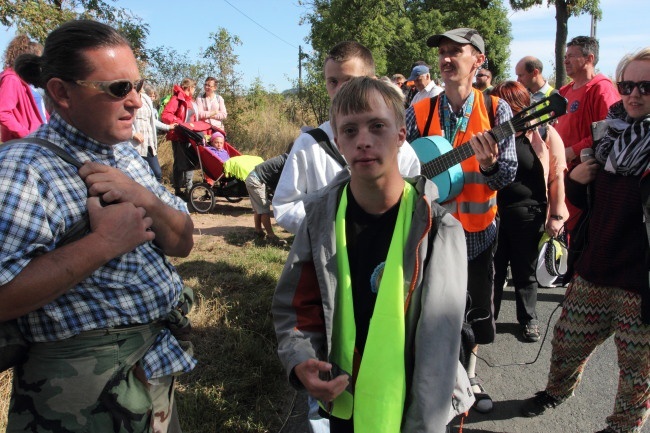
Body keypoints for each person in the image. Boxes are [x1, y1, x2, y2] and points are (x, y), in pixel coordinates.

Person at [0, 20, 195, 432]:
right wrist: (103, 243)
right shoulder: (23, 169)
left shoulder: (126, 157)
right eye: (117, 89)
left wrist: (143, 198)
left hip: (149, 372)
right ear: (61, 92)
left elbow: (183, 242)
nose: (137, 102)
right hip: (79, 397)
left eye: (137, 86)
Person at [272, 76, 470, 433]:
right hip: (343, 406)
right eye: (349, 131)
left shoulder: (440, 230)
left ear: (400, 135)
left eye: (377, 126)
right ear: (337, 142)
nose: (363, 140)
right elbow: (295, 308)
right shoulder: (318, 220)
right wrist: (301, 360)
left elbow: (439, 352)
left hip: (413, 413)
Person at [520, 48, 650, 433]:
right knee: (566, 343)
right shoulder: (609, 135)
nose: (634, 94)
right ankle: (556, 392)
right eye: (628, 85)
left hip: (640, 284)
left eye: (646, 86)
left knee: (636, 373)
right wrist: (575, 183)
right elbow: (589, 203)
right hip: (595, 268)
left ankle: (621, 428)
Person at [406, 27, 517, 413]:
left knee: (472, 308)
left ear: (478, 61)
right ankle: (430, 377)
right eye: (443, 52)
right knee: (428, 306)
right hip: (429, 231)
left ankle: (468, 375)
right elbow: (406, 168)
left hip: (476, 233)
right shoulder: (421, 108)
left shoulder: (497, 110)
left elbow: (507, 175)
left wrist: (489, 166)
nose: (447, 58)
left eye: (457, 51)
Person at [272, 41, 421, 235]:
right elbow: (285, 205)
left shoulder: (397, 145)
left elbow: (414, 201)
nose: (340, 90)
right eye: (333, 81)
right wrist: (333, 223)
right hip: (326, 257)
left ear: (372, 81)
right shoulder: (308, 145)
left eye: (349, 81)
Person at [489, 81, 568, 342]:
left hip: (529, 212)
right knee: (493, 269)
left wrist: (556, 215)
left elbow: (557, 176)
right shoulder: (491, 133)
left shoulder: (544, 133)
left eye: (503, 105)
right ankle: (487, 319)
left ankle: (528, 319)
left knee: (526, 270)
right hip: (493, 212)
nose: (498, 111)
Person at [0, 35, 48, 142]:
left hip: (40, 139)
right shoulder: (11, 79)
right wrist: (26, 134)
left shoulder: (26, 82)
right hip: (25, 142)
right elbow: (3, 112)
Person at [162, 77, 201, 198]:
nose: (195, 90)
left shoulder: (190, 100)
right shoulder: (176, 99)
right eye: (194, 87)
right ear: (189, 88)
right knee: (179, 163)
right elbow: (166, 115)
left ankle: (189, 189)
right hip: (178, 135)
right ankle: (178, 190)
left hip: (190, 135)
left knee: (190, 162)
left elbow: (193, 117)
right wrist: (180, 123)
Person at [131, 82, 176, 183]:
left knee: (157, 173)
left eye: (140, 82)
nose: (138, 85)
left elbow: (153, 120)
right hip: (135, 145)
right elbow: (123, 120)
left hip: (149, 142)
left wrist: (168, 127)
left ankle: (156, 196)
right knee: (136, 176)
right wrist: (133, 134)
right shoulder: (127, 99)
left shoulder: (146, 98)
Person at [245, 151, 289, 246]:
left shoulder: (282, 158)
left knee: (258, 209)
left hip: (252, 178)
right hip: (256, 181)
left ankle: (258, 231)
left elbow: (274, 178)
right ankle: (271, 236)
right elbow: (280, 180)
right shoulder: (286, 161)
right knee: (264, 210)